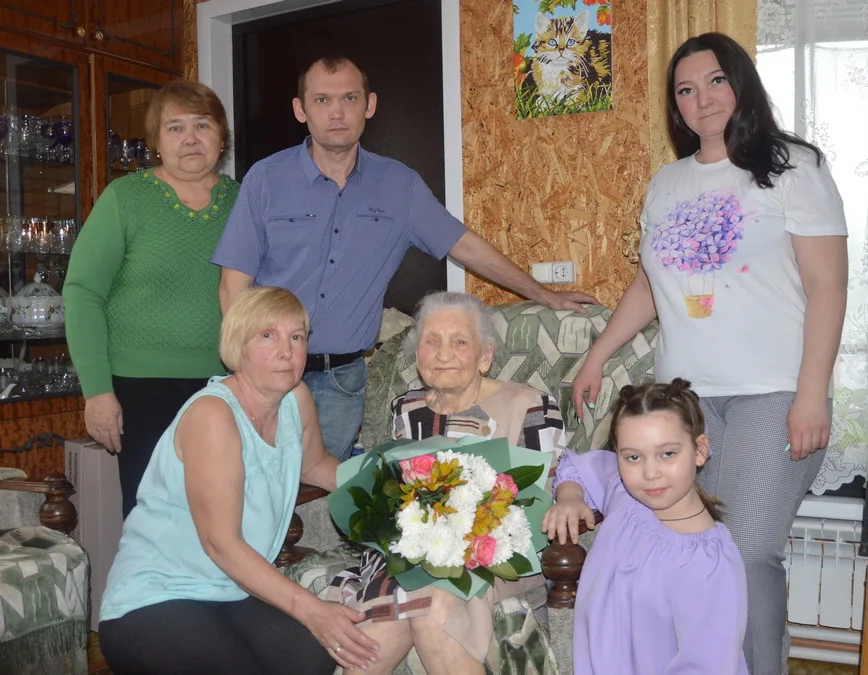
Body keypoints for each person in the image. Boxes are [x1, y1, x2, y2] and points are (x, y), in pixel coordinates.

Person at [569, 33, 848, 674]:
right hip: (687, 402)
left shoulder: (793, 166)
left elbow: (828, 285)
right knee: (697, 549)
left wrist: (812, 394)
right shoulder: (667, 182)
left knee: (747, 554)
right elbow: (651, 284)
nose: (704, 99)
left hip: (772, 390)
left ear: (742, 83)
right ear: (676, 106)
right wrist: (598, 356)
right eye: (686, 90)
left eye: (717, 81)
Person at [211, 55, 594, 463]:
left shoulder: (400, 186)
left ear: (370, 105)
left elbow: (465, 245)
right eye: (322, 100)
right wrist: (248, 369)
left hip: (340, 382)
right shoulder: (266, 179)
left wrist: (543, 294)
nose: (337, 112)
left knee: (318, 492)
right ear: (300, 109)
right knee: (251, 481)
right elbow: (232, 288)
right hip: (267, 373)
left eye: (350, 98)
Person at [97, 287, 380, 675]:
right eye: (268, 336)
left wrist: (393, 489)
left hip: (232, 590)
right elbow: (221, 544)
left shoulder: (295, 398)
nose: (286, 351)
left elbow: (314, 464)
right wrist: (314, 610)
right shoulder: (213, 415)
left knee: (312, 659)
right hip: (155, 595)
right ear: (237, 346)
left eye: (296, 337)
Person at [324, 291, 564, 675]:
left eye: (460, 342)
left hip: (495, 556)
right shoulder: (407, 408)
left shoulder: (532, 406)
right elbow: (393, 490)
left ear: (485, 356)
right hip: (410, 551)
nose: (443, 353)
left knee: (432, 606)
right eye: (431, 341)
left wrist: (462, 541)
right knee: (387, 619)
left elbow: (540, 507)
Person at [63, 80, 241, 518]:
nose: (190, 138)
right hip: (139, 390)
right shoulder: (126, 198)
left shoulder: (245, 202)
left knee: (224, 516)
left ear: (221, 136)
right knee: (152, 520)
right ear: (157, 142)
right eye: (175, 127)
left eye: (202, 125)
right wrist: (97, 392)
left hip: (226, 386)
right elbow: (83, 293)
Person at [544, 379, 748, 674]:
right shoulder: (625, 496)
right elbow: (576, 466)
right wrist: (570, 497)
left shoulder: (708, 565)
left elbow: (707, 665)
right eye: (633, 457)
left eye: (668, 453)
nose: (650, 473)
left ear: (700, 450)